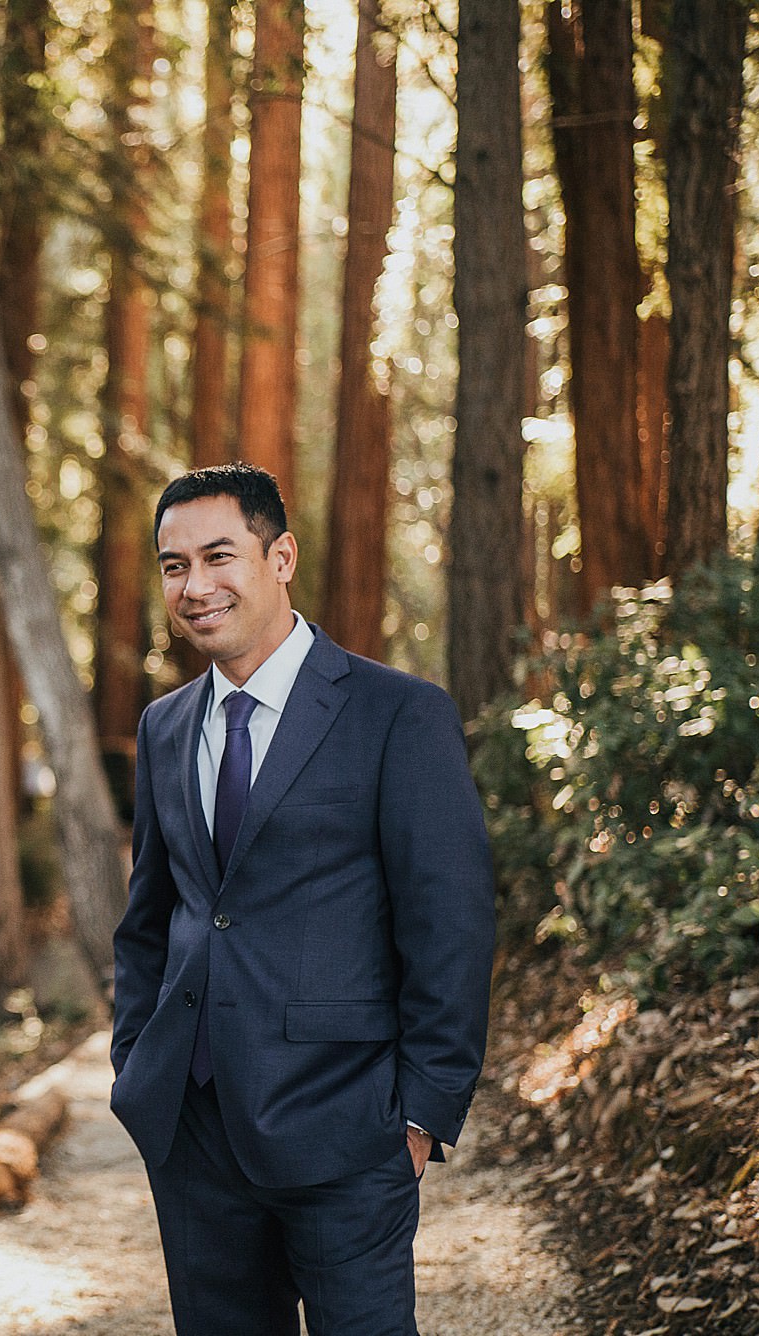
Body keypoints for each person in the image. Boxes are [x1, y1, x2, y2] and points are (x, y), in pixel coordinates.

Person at [108, 462, 495, 1334]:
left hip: (348, 1129)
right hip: (193, 1134)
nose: (195, 586)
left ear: (280, 557)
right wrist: (136, 1063)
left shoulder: (398, 715)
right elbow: (150, 919)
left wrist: (423, 1113)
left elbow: (451, 925)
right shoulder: (164, 727)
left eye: (219, 556)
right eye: (174, 566)